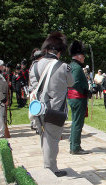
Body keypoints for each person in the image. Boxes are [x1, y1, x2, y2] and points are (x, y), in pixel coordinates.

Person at [29, 31, 74, 177]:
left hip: (38, 108)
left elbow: (33, 86)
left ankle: (47, 165)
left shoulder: (35, 66)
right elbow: (71, 82)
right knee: (53, 140)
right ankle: (51, 169)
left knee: (44, 137)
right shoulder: (63, 66)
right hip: (56, 109)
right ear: (59, 51)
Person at [68, 40, 91, 155]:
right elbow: (76, 83)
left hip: (74, 97)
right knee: (78, 123)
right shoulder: (76, 68)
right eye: (82, 56)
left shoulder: (72, 66)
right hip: (78, 98)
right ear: (77, 56)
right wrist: (86, 91)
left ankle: (74, 145)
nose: (83, 58)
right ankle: (75, 147)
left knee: (75, 122)